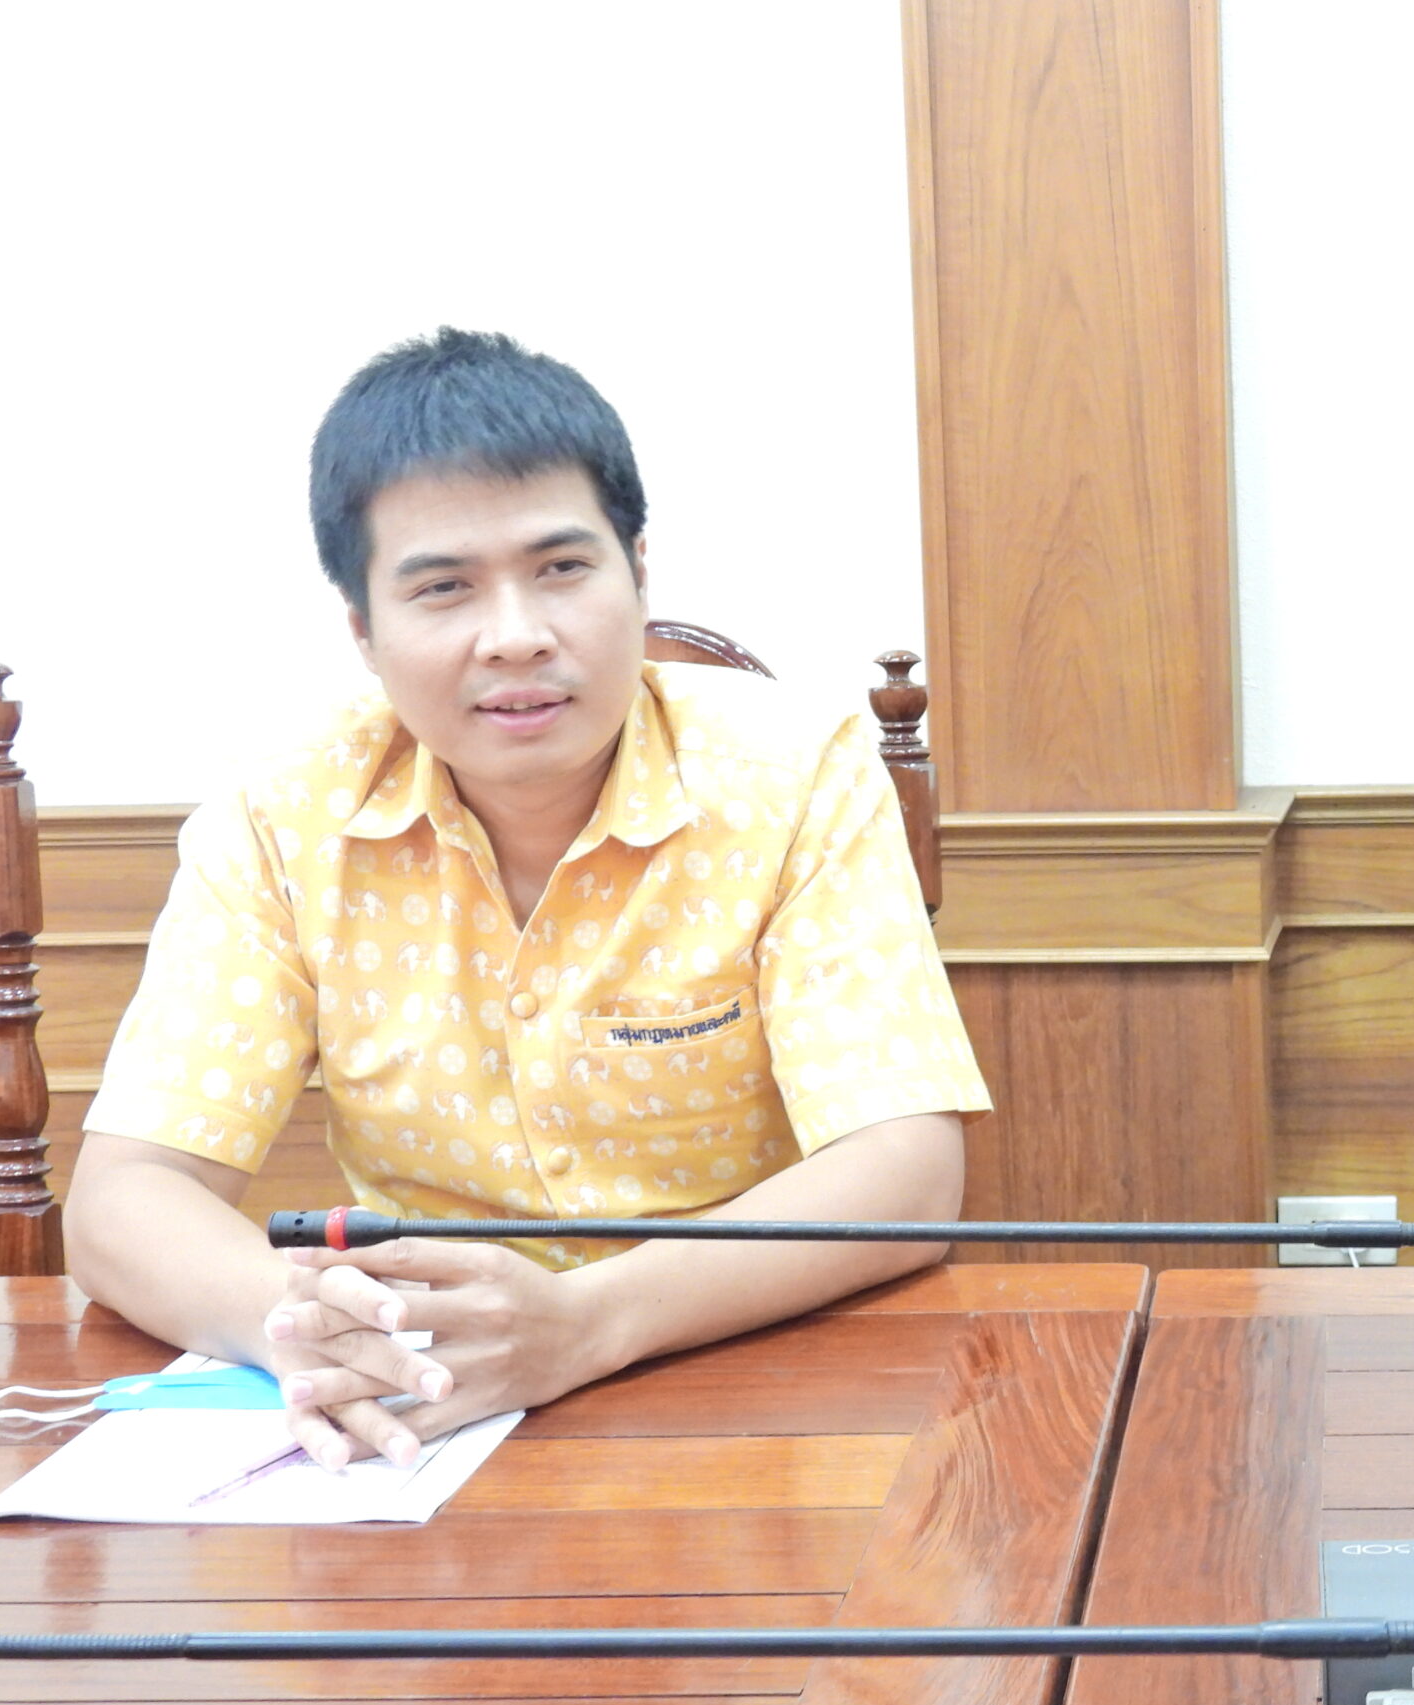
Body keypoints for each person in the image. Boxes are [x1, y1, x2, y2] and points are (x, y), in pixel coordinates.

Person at [66, 328, 991, 1464]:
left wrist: (586, 1326)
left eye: (561, 569)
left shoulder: (796, 774)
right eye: (443, 589)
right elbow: (123, 1200)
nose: (515, 638)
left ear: (638, 573)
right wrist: (314, 1330)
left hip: (753, 1373)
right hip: (433, 1398)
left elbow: (906, 1172)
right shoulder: (285, 815)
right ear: (364, 632)